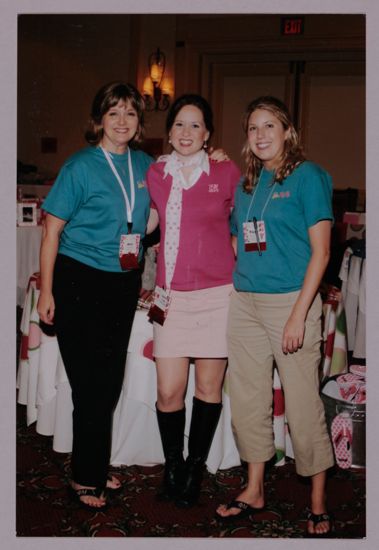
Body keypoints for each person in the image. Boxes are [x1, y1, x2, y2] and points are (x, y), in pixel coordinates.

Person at [216, 96, 335, 536]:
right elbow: (236, 239)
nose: (261, 135)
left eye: (270, 126)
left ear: (288, 131)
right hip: (245, 302)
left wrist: (299, 314)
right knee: (248, 399)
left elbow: (322, 252)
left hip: (291, 303)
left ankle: (319, 498)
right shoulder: (246, 182)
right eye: (253, 128)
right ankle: (254, 487)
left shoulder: (309, 177)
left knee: (303, 403)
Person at [37, 81, 155, 510]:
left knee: (108, 383)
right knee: (89, 383)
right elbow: (51, 231)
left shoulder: (146, 164)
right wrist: (46, 292)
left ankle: (94, 461)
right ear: (99, 120)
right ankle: (86, 476)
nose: (122, 121)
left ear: (139, 122)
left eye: (130, 113)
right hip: (77, 280)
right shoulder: (80, 165)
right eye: (113, 113)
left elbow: (169, 197)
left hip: (122, 282)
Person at [146, 94, 241, 508]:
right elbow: (144, 221)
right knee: (169, 391)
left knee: (208, 388)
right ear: (169, 132)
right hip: (171, 298)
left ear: (208, 135)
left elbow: (246, 224)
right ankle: (172, 464)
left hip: (218, 296)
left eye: (196, 126)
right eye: (179, 125)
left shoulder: (227, 170)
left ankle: (194, 470)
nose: (187, 133)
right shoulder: (156, 173)